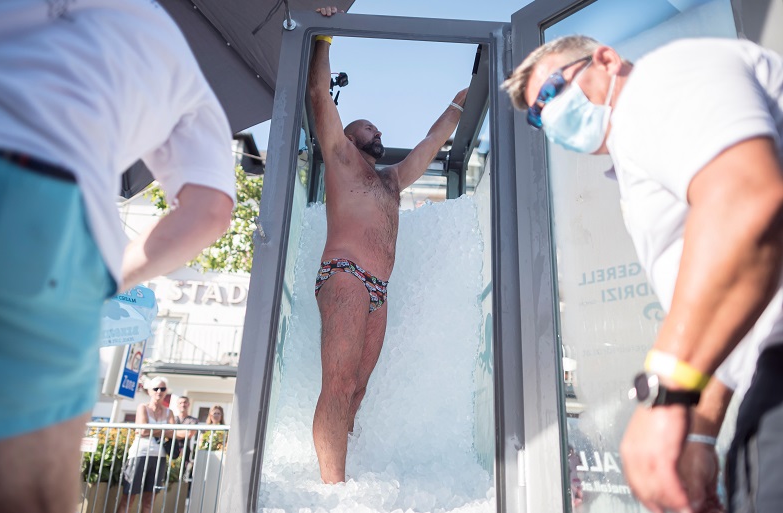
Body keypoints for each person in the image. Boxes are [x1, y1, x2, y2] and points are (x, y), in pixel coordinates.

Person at [0, 2, 236, 512]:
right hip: (24, 203)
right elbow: (210, 210)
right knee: (18, 495)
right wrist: (106, 280)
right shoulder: (159, 38)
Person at [504, 36, 783, 513]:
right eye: (537, 114)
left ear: (606, 60)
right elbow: (737, 293)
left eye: (552, 90)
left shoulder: (656, 83)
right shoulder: (640, 157)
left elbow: (747, 204)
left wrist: (666, 392)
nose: (549, 114)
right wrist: (700, 430)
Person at [309, 6, 468, 484]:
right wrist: (324, 37)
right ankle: (332, 491)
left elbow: (432, 140)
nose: (378, 133)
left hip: (377, 289)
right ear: (349, 137)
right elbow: (319, 93)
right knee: (337, 384)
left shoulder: (392, 181)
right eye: (368, 128)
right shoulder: (340, 160)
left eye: (377, 129)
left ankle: (342, 475)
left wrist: (462, 102)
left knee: (356, 390)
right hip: (346, 275)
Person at [118, 377, 176, 513]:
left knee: (149, 501)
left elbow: (173, 432)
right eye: (156, 388)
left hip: (159, 456)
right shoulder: (143, 407)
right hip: (140, 453)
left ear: (166, 391)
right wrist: (163, 430)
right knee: (128, 497)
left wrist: (151, 430)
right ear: (149, 391)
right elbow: (142, 431)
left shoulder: (169, 412)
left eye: (162, 388)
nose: (159, 391)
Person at [173, 396, 199, 478]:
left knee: (182, 474)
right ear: (177, 405)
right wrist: (184, 432)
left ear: (188, 404)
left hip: (185, 451)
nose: (183, 405)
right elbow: (167, 432)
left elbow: (190, 434)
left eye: (185, 402)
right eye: (180, 403)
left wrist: (174, 433)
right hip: (171, 449)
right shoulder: (173, 418)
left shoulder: (193, 420)